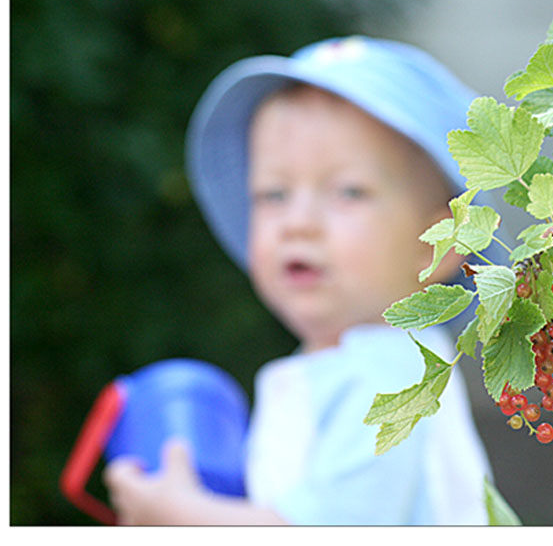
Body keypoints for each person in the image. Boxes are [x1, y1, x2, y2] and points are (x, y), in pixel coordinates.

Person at [103, 35, 496, 525]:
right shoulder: (342, 367)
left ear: (436, 243)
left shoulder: (396, 374)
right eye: (273, 194)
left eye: (348, 191)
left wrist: (184, 517)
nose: (298, 222)